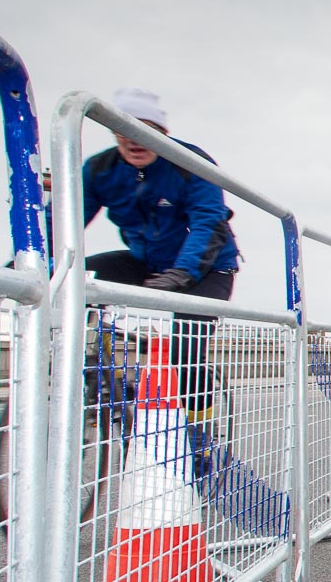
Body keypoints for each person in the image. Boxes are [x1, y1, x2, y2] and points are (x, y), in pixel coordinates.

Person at [83, 87, 240, 425]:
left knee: (187, 348)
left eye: (147, 132)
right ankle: (91, 376)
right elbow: (65, 219)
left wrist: (183, 273)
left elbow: (209, 222)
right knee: (75, 276)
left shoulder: (189, 162)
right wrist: (35, 260)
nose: (136, 141)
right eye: (126, 131)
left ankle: (200, 428)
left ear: (163, 134)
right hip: (148, 260)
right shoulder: (100, 169)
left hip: (208, 267)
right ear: (115, 133)